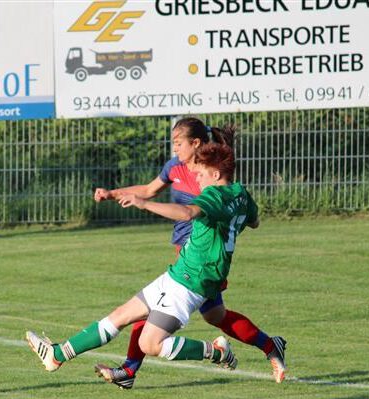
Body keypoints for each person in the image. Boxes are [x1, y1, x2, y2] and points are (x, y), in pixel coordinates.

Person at [26, 143, 259, 379]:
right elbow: (254, 221)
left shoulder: (214, 194)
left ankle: (216, 351)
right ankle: (57, 355)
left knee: (151, 344)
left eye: (200, 173)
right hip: (178, 273)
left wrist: (143, 203)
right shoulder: (240, 194)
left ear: (216, 174)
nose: (196, 177)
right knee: (120, 316)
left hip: (189, 283)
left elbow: (187, 213)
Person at [92, 117, 286, 387]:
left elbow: (188, 212)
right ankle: (269, 345)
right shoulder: (188, 173)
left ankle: (130, 370)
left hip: (199, 259)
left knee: (155, 312)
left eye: (178, 143)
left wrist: (144, 205)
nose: (176, 151)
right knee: (214, 315)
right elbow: (149, 190)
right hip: (198, 258)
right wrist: (114, 193)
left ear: (197, 144)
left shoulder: (212, 185)